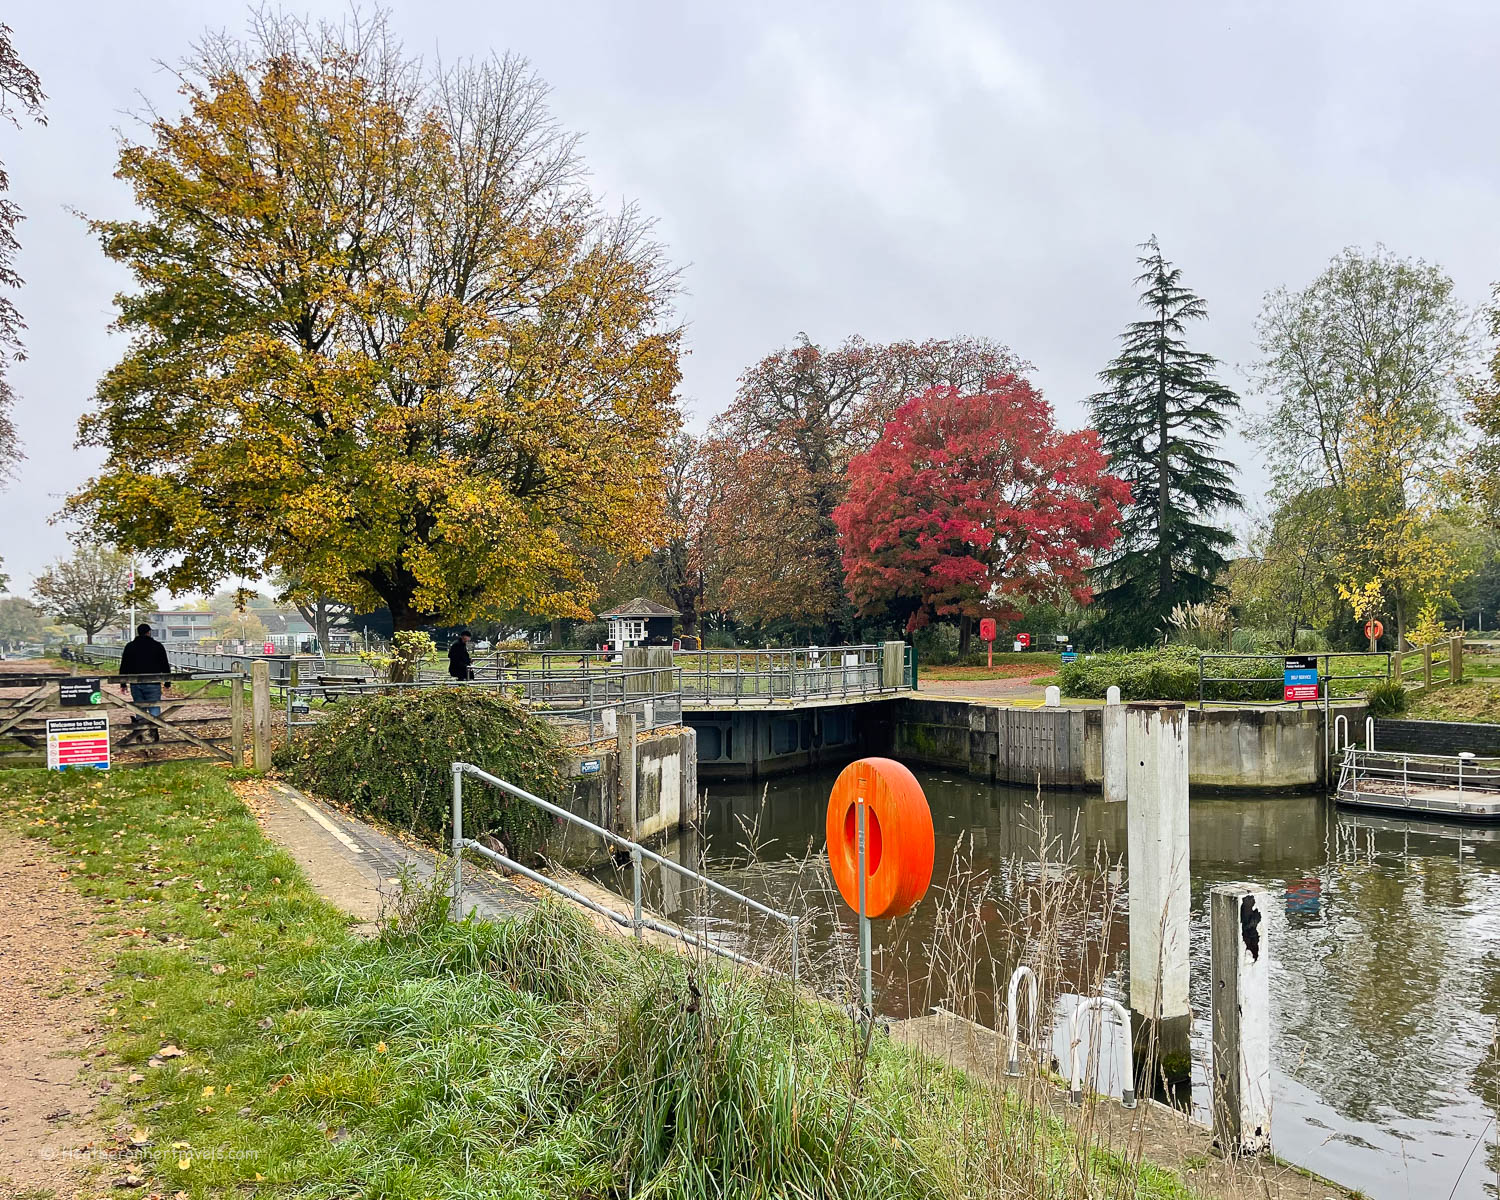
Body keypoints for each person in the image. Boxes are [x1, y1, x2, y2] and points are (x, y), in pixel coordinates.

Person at [118, 622, 171, 742]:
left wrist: (123, 683)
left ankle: (141, 732)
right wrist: (167, 682)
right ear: (149, 632)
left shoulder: (130, 646)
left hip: (135, 682)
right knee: (154, 706)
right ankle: (153, 732)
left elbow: (124, 666)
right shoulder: (157, 646)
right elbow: (164, 665)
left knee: (139, 707)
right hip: (153, 681)